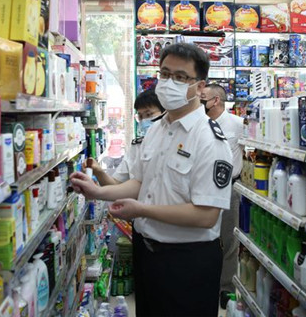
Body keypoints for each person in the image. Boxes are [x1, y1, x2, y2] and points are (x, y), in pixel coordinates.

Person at [70, 43, 233, 317]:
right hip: (146, 252)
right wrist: (96, 192)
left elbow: (206, 215)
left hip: (187, 261)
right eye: (165, 74)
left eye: (180, 77)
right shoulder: (156, 130)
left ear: (200, 87)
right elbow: (139, 183)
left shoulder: (209, 139)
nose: (169, 83)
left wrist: (142, 210)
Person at [200, 84, 245, 308]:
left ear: (216, 100)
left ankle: (226, 288)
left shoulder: (238, 124)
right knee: (204, 237)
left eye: (203, 98)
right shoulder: (200, 124)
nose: (200, 101)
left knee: (229, 240)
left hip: (229, 189)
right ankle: (205, 284)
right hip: (202, 188)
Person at [85, 88, 165, 186]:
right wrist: (98, 172)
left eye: (149, 114)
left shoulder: (175, 143)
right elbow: (116, 184)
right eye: (140, 116)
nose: (144, 121)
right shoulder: (137, 147)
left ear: (165, 113)